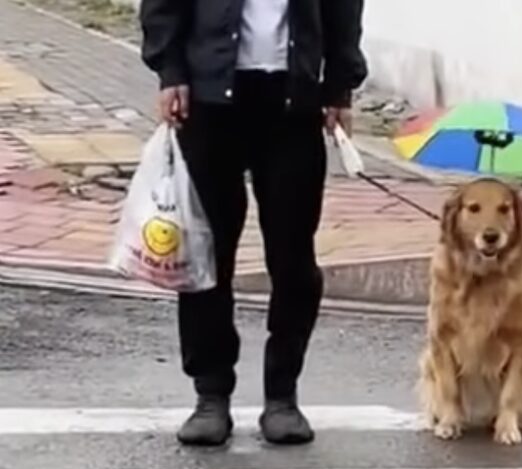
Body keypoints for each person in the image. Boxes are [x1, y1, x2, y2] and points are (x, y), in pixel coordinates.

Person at [139, 0, 367, 446]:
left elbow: (344, 9)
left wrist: (339, 88)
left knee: (293, 257)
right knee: (206, 253)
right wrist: (171, 72)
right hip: (209, 101)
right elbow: (162, 6)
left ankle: (282, 394)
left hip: (292, 102)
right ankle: (210, 394)